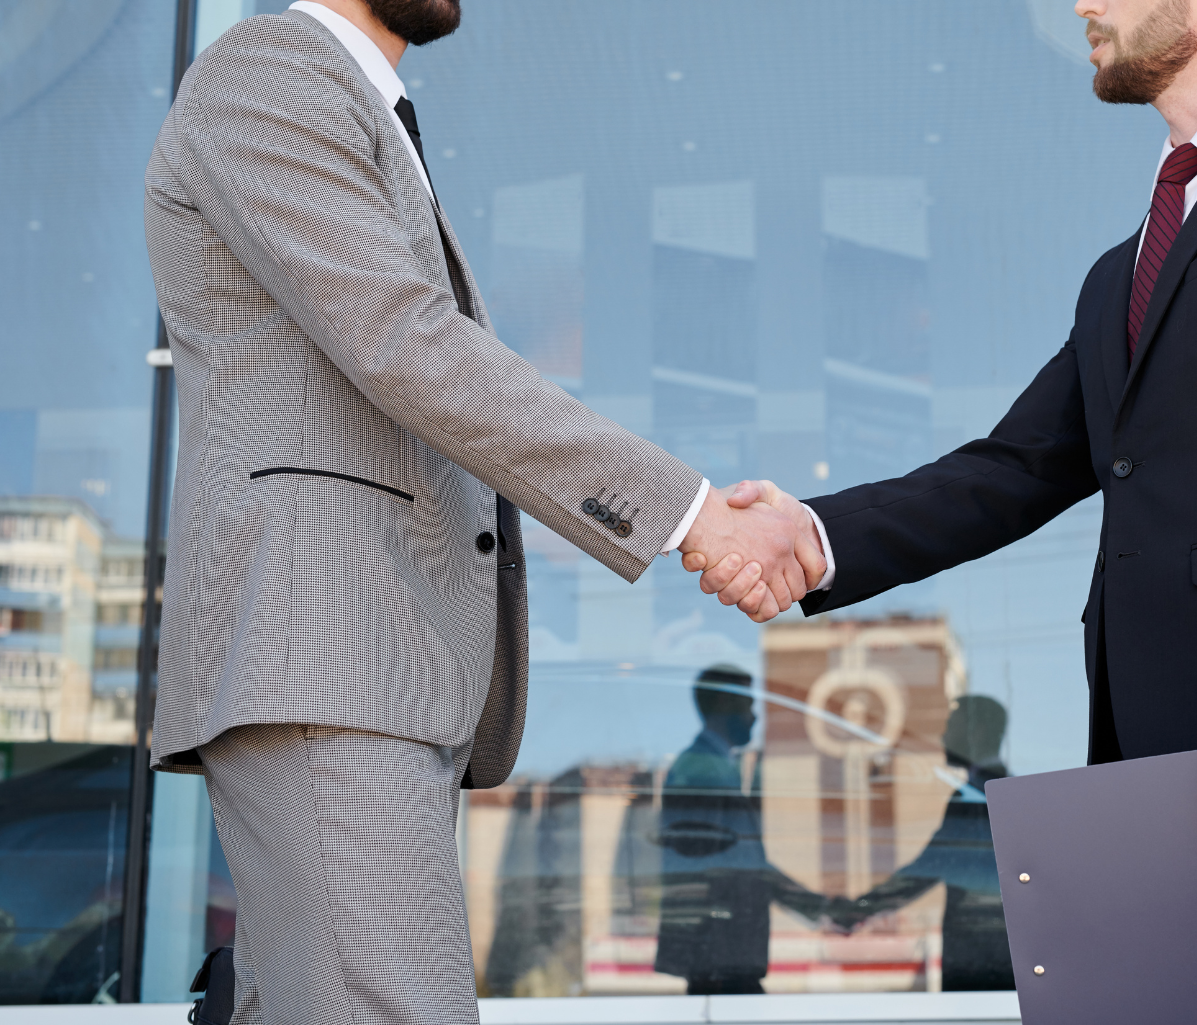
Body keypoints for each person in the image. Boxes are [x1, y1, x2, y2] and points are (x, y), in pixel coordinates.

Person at [693, 1, 1197, 1020]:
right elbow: (1014, 467)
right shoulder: (1126, 268)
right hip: (1149, 761)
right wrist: (814, 535)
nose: (1082, 6)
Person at [141, 0, 823, 1021]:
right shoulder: (270, 69)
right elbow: (405, 341)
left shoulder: (364, 108)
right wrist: (690, 513)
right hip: (326, 647)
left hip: (381, 664)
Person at [652, 666, 827, 994]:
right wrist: (819, 906)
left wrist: (815, 905)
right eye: (748, 704)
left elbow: (738, 862)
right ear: (723, 703)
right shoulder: (702, 770)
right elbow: (719, 864)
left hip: (721, 957)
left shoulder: (714, 767)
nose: (754, 717)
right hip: (717, 956)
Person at [828, 696, 1014, 992]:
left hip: (982, 952)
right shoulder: (999, 791)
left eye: (950, 727)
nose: (942, 737)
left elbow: (930, 866)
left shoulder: (980, 797)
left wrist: (860, 907)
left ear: (976, 732)